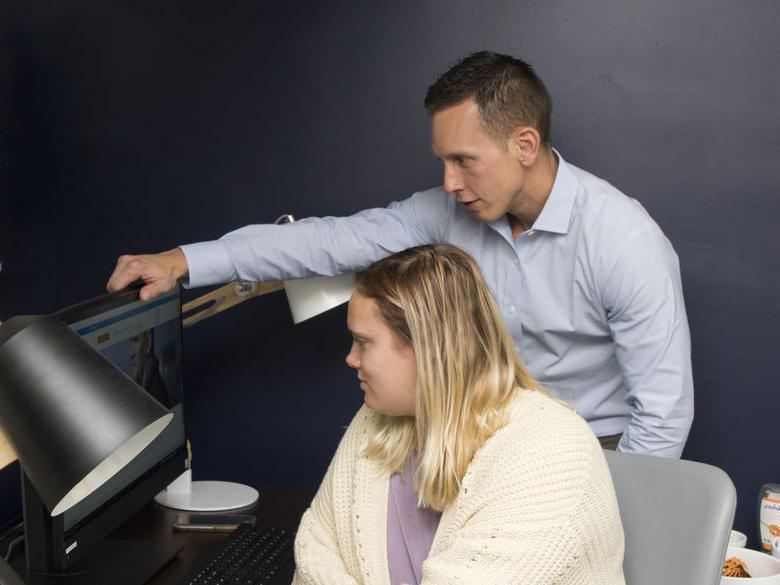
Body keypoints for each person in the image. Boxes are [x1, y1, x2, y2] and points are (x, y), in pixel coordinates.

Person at [107, 51, 693, 457]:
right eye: (442, 161)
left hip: (593, 448)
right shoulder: (448, 212)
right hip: (480, 442)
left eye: (464, 160)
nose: (449, 182)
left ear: (525, 145)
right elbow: (327, 241)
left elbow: (662, 417)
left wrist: (616, 517)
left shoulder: (623, 240)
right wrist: (183, 260)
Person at [291, 244, 625, 585]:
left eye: (363, 342)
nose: (351, 358)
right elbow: (315, 550)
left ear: (427, 348)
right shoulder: (375, 421)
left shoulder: (552, 451)